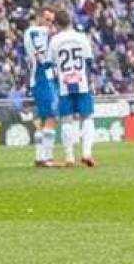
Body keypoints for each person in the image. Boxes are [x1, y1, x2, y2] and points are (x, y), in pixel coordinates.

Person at [48, 9, 97, 167]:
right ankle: (86, 153)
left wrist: (56, 80)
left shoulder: (54, 41)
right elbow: (89, 61)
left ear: (56, 24)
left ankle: (69, 157)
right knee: (87, 117)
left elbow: (49, 65)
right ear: (70, 21)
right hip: (82, 83)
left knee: (67, 120)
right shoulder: (81, 37)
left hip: (64, 85)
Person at [24, 8, 59, 167]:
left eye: (52, 21)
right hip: (42, 79)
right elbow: (41, 56)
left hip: (43, 79)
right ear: (38, 18)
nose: (49, 24)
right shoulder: (35, 31)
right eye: (47, 19)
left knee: (45, 118)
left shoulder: (37, 32)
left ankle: (40, 156)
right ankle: (46, 157)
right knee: (51, 117)